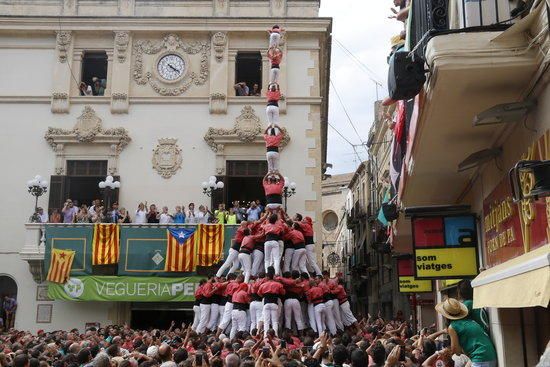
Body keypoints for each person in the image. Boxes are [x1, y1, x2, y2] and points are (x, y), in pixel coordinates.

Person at [435, 298, 497, 367]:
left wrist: (445, 352)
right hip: (490, 355)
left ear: (446, 315)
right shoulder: (470, 321)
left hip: (480, 358)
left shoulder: (452, 327)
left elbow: (456, 351)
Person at [257, 266, 285, 337]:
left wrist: (264, 295)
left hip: (266, 303)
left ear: (267, 277)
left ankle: (265, 336)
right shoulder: (278, 284)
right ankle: (275, 335)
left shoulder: (263, 285)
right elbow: (283, 293)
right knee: (274, 321)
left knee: (266, 321)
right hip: (275, 303)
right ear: (273, 276)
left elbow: (259, 293)